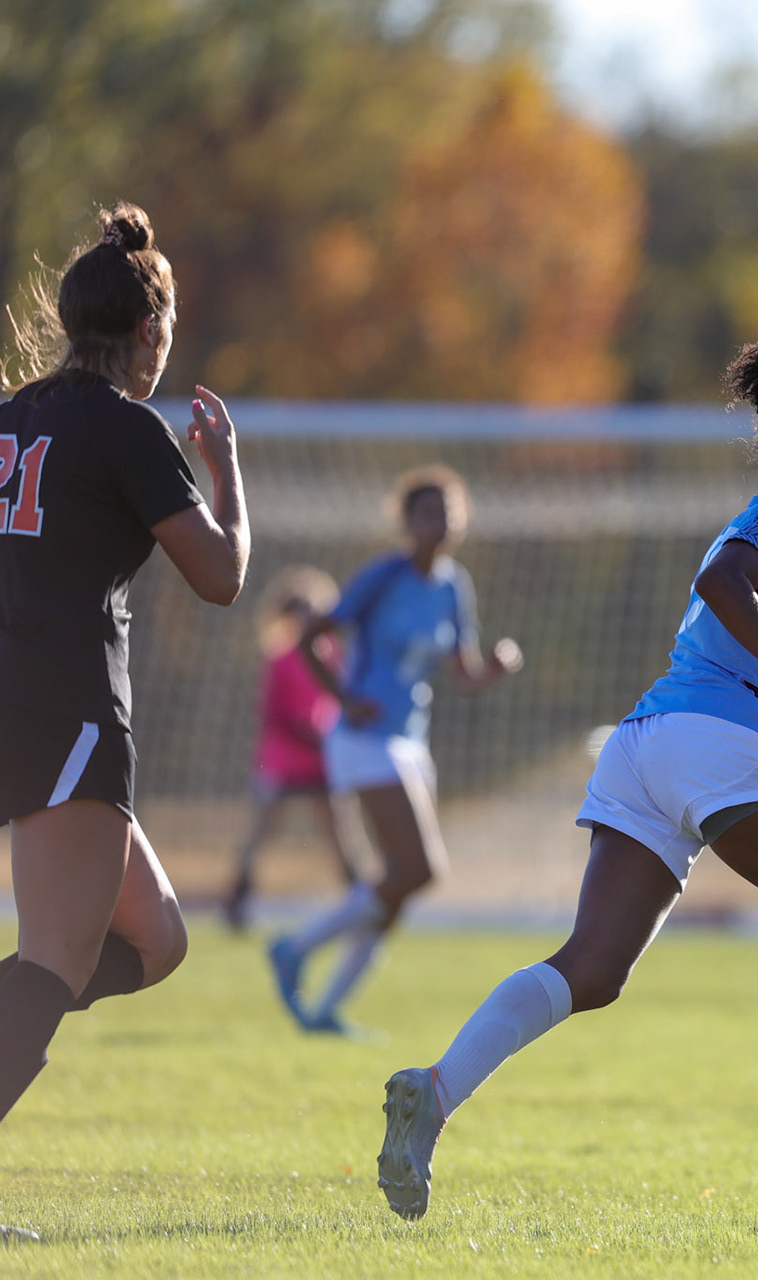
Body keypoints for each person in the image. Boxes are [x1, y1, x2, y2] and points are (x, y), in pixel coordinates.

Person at [373, 334, 758, 1223]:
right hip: (703, 745)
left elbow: (735, 673)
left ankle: (435, 1089)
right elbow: (722, 585)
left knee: (592, 969)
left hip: (648, 741)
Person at [0, 204, 250, 1239]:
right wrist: (227, 467)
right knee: (56, 955)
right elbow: (223, 575)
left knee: (153, 935)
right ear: (149, 332)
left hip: (21, 696)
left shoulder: (14, 414)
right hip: (66, 706)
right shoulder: (124, 426)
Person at [266, 467, 520, 1035]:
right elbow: (311, 636)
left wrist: (495, 670)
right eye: (428, 512)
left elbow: (464, 674)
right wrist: (343, 700)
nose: (441, 522)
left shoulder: (455, 585)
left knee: (400, 887)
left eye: (449, 511)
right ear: (407, 522)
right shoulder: (384, 575)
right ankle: (295, 947)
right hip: (362, 739)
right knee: (420, 870)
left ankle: (327, 1008)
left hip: (410, 741)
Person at [221, 566, 359, 930]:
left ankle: (360, 899)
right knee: (259, 831)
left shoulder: (331, 654)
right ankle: (238, 897)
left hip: (321, 758)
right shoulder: (280, 659)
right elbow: (273, 712)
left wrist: (331, 737)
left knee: (340, 830)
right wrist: (308, 733)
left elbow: (339, 700)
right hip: (282, 758)